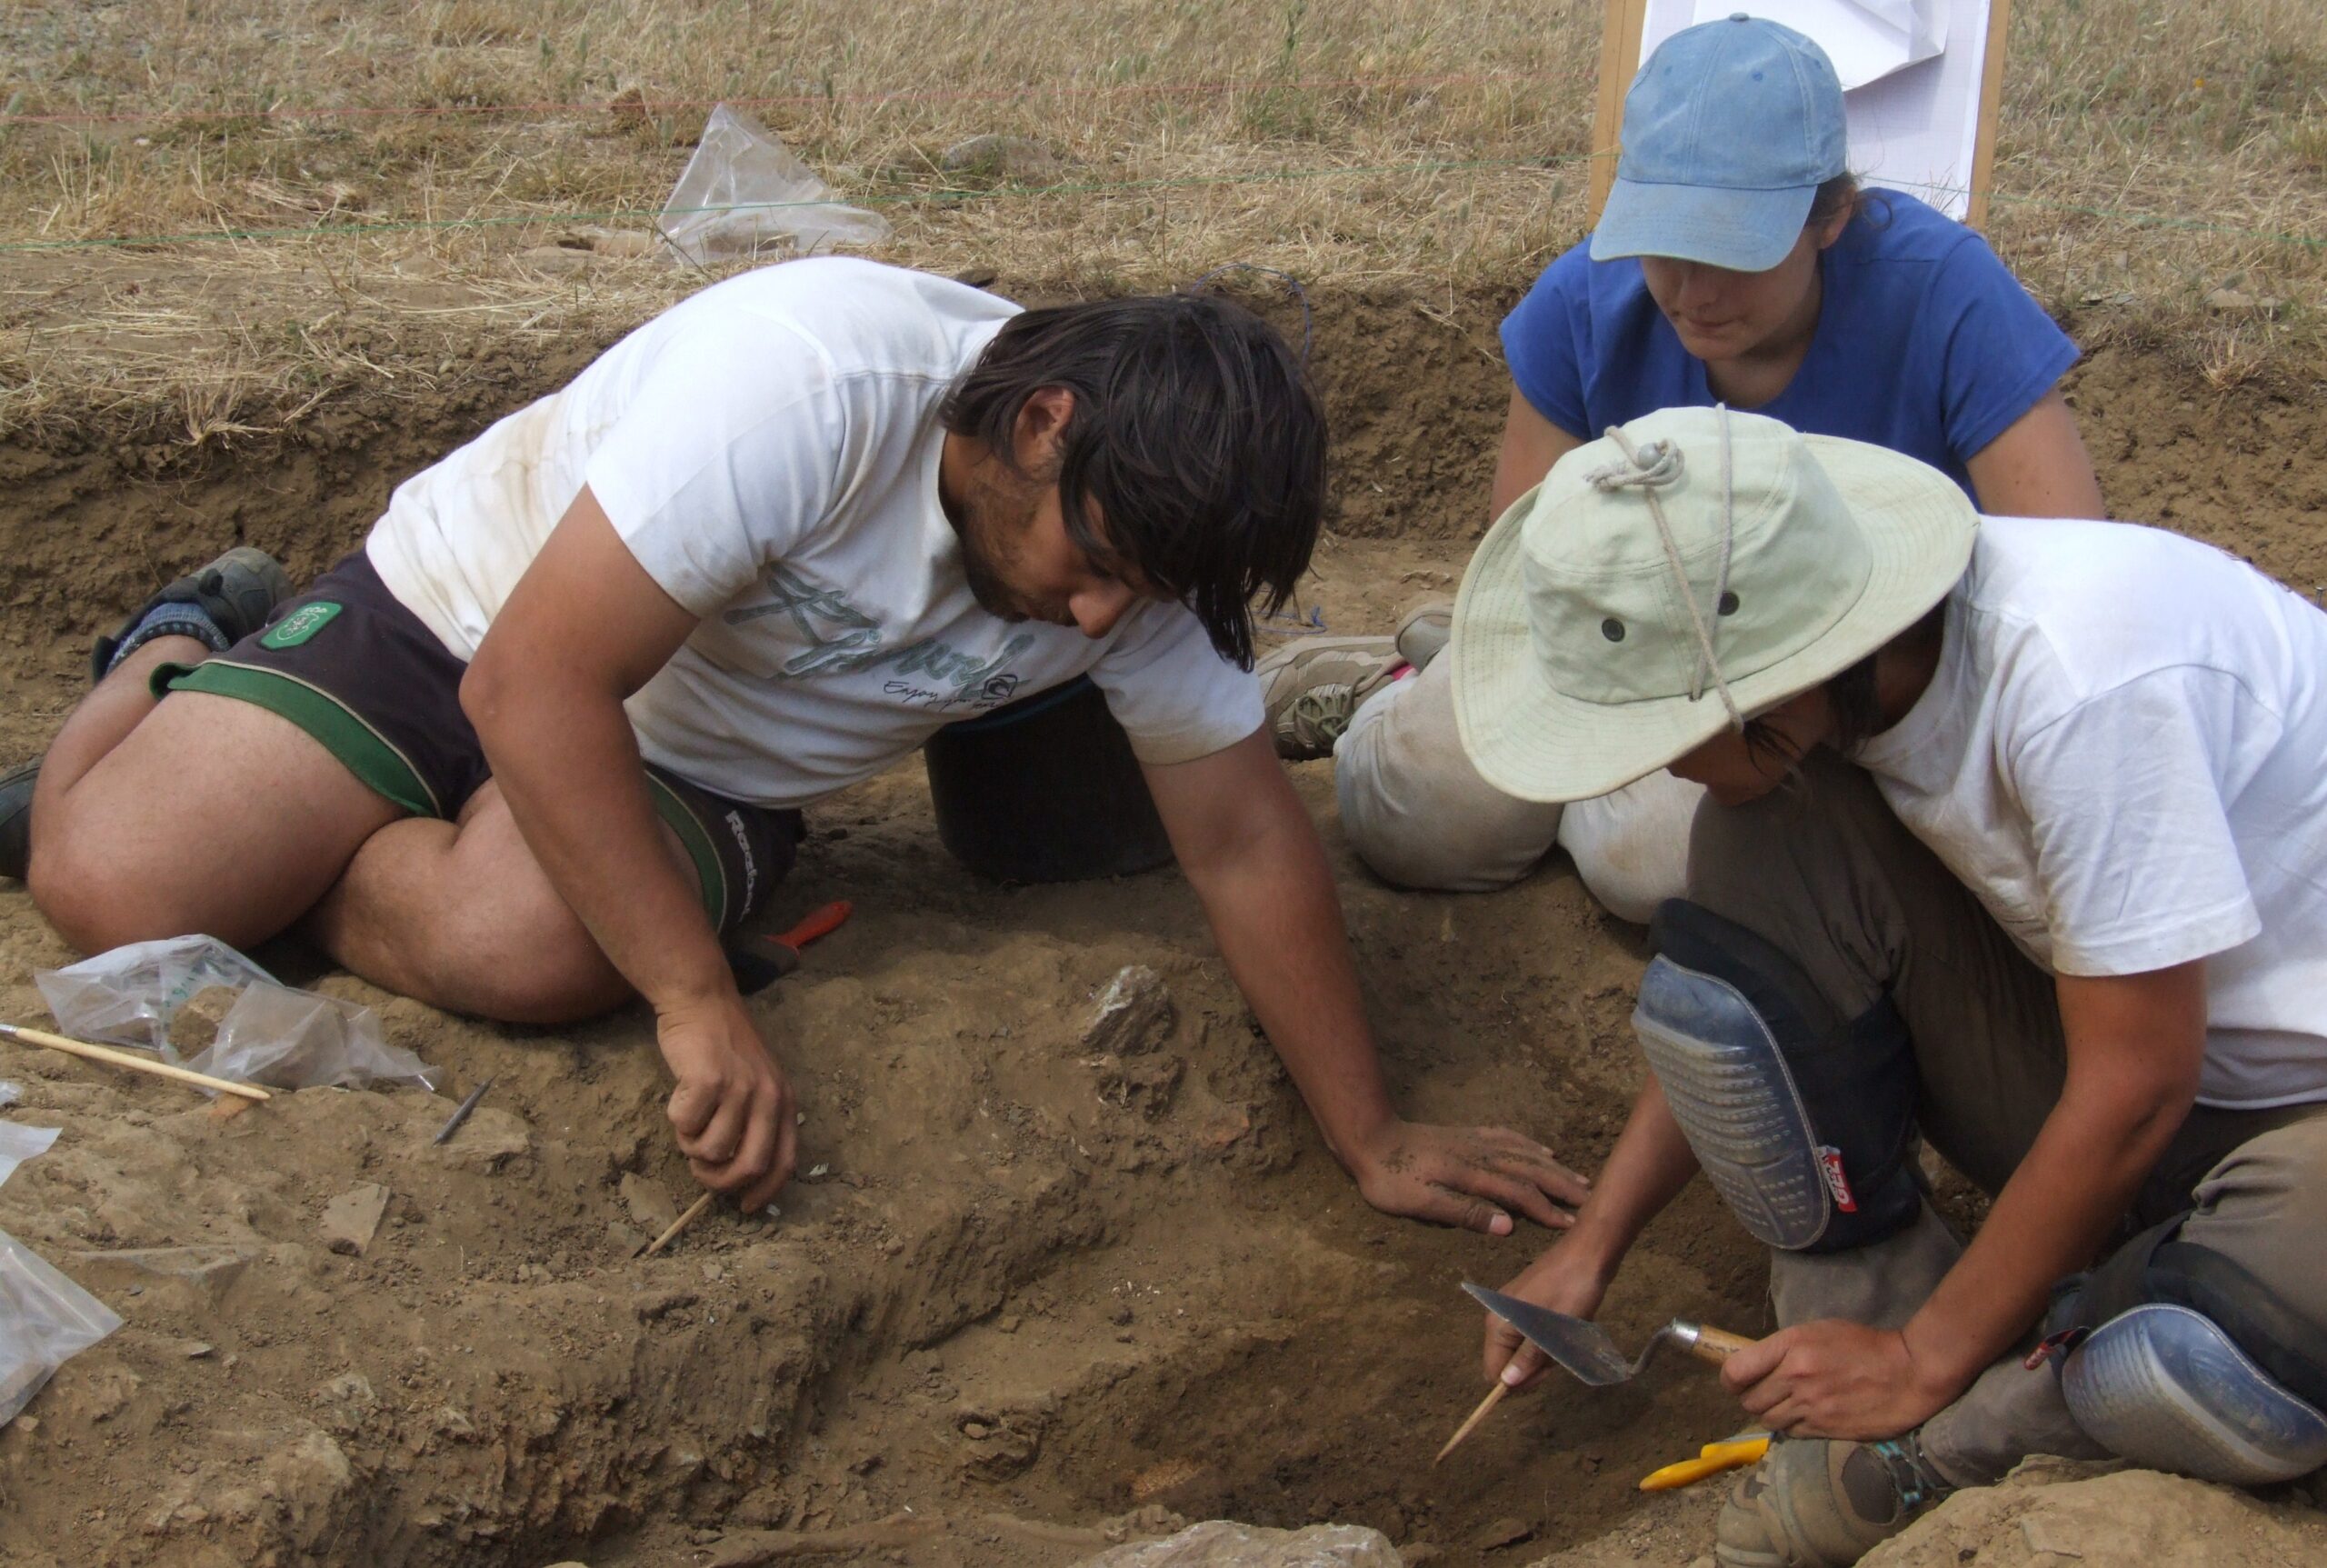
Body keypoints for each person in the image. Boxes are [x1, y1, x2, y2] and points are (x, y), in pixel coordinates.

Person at [0, 258, 1588, 1232]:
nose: (1101, 625)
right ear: (1042, 423)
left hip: (708, 759)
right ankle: (179, 646)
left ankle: (320, 831)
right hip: (476, 615)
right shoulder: (815, 383)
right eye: (1094, 567)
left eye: (1142, 598)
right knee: (110, 879)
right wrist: (694, 997)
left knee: (524, 948)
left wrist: (1369, 1135)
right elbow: (532, 688)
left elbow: (1244, 838)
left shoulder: (1154, 545)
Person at [1453, 403, 2327, 1568]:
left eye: (1654, 729)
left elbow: (2136, 1089)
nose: (1646, 765)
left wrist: (1928, 1360)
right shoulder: (1858, 690)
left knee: (2242, 1337)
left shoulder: (2082, 680)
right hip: (2140, 1080)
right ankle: (1873, 1319)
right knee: (1756, 851)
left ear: (1766, 694)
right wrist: (1593, 1246)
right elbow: (1755, 1007)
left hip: (2273, 1119)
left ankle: (1957, 1436)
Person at [1259, 15, 2103, 922]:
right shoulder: (1584, 301)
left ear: (1833, 218)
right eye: (1664, 244)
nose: (1692, 291)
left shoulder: (1944, 293)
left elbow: (2069, 568)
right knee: (1418, 817)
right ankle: (1386, 688)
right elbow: (1530, 557)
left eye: (1734, 250)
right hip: (1618, 648)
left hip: (1829, 687)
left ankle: (1566, 783)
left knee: (1663, 864)